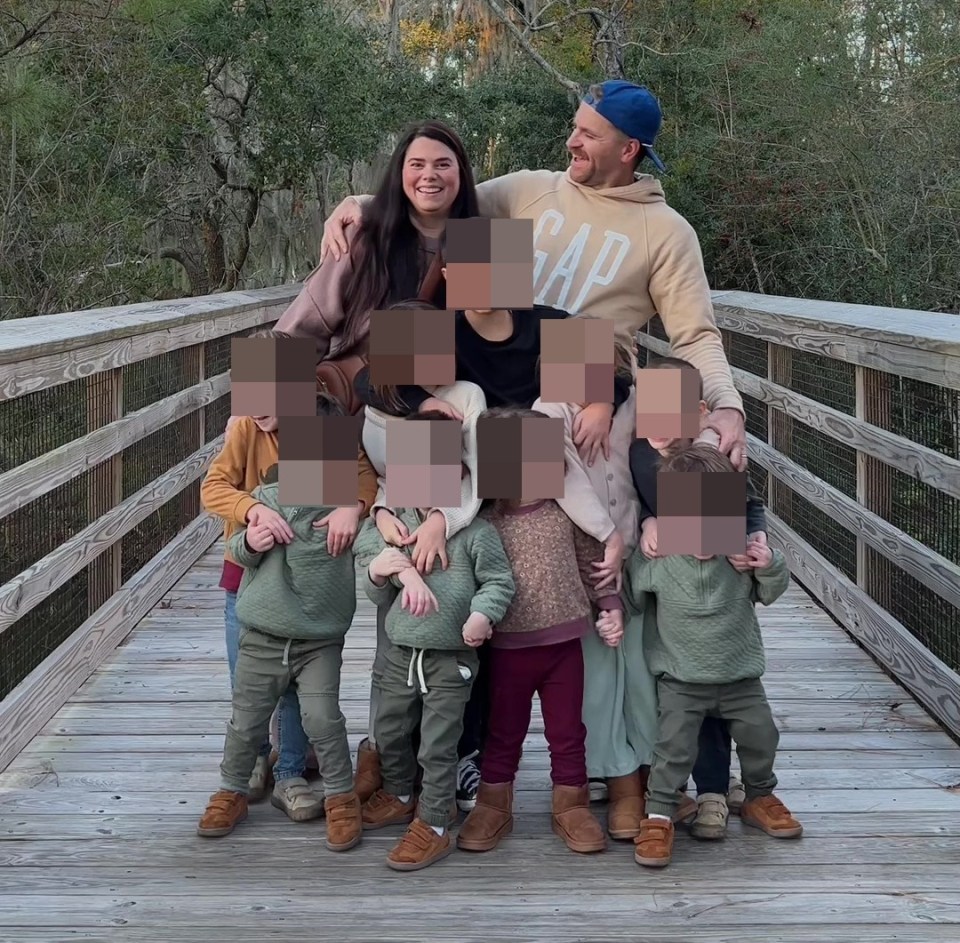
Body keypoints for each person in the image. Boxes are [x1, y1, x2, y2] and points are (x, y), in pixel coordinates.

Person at [319, 81, 747, 469]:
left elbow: (694, 336)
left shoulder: (668, 232)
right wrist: (361, 203)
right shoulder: (530, 188)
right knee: (395, 400)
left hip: (578, 379)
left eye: (588, 135)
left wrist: (727, 406)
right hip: (481, 352)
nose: (571, 141)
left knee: (532, 493)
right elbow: (441, 199)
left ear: (628, 149)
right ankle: (386, 522)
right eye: (575, 127)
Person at [201, 331, 377, 820]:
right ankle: (253, 761)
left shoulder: (323, 424)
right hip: (249, 574)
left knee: (300, 686)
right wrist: (249, 508)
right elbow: (213, 486)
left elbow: (364, 472)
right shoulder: (246, 430)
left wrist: (352, 504)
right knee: (251, 682)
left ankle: (291, 771)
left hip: (307, 589)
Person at [613, 443, 801, 868]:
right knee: (673, 750)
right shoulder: (657, 556)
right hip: (682, 682)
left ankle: (759, 795)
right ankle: (659, 814)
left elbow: (771, 591)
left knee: (761, 735)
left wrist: (767, 562)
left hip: (740, 678)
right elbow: (632, 596)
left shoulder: (739, 554)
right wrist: (611, 611)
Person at [456, 407, 623, 857]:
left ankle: (571, 803)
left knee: (567, 730)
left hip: (564, 643)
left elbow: (595, 564)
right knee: (503, 729)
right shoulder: (484, 522)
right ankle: (494, 803)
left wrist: (610, 606)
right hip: (508, 647)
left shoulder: (566, 512)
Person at [352, 414, 516, 871]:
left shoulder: (476, 533)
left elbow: (499, 582)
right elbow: (374, 588)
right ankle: (400, 792)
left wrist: (483, 614)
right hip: (399, 656)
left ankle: (436, 822)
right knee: (390, 732)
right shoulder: (389, 528)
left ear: (457, 474)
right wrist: (379, 571)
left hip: (450, 660)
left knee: (438, 745)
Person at [629, 354, 768, 840]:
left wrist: (758, 542)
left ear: (700, 411)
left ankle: (713, 787)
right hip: (666, 580)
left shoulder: (716, 459)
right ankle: (669, 788)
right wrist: (649, 521)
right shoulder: (636, 453)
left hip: (720, 584)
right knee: (679, 692)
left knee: (718, 684)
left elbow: (749, 506)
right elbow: (634, 503)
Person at [531, 323, 661, 839]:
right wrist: (607, 536)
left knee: (644, 669)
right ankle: (618, 777)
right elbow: (559, 477)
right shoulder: (547, 410)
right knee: (597, 678)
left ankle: (654, 773)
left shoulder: (633, 402)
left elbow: (680, 440)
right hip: (584, 562)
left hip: (638, 556)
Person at [273, 120, 480, 363]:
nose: (429, 175)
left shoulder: (484, 241)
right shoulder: (362, 237)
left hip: (456, 390)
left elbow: (510, 343)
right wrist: (261, 393)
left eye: (443, 164)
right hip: (366, 391)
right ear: (400, 173)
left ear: (462, 172)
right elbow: (303, 326)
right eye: (417, 165)